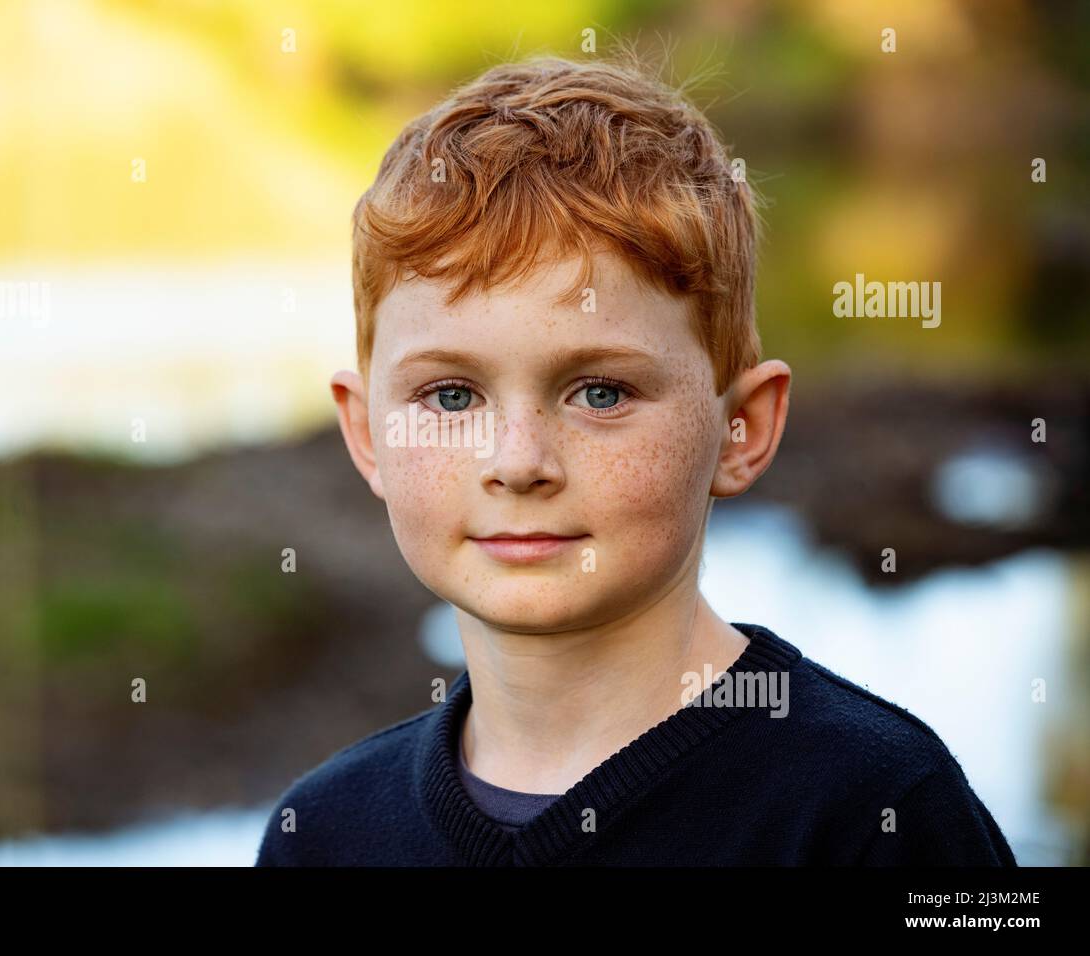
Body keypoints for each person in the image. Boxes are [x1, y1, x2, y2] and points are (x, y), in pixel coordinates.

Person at [255, 51, 1016, 866]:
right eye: (450, 396)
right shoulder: (325, 834)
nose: (518, 463)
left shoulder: (875, 813)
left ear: (742, 428)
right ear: (367, 434)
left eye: (601, 393)